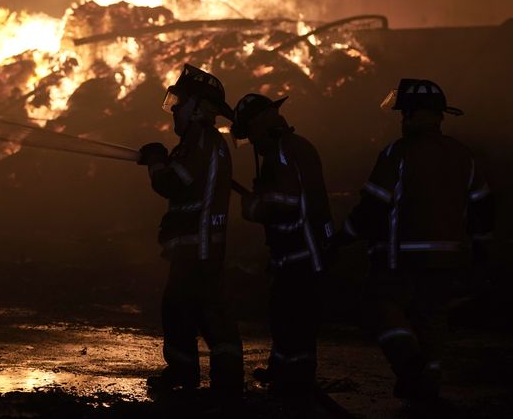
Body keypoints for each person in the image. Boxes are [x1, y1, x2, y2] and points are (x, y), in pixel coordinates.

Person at [338, 78, 494, 403]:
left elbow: (373, 206)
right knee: (432, 318)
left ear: (408, 115)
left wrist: (342, 237)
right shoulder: (462, 154)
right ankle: (428, 385)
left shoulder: (398, 152)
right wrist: (480, 251)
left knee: (380, 307)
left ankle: (410, 364)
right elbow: (482, 206)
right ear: (440, 116)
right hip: (449, 260)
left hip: (402, 258)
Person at [137, 64, 243, 398]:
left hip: (196, 248)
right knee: (202, 310)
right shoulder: (205, 141)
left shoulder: (199, 138)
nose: (176, 110)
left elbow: (173, 183)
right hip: (200, 247)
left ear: (199, 108)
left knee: (184, 309)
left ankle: (190, 378)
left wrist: (156, 161)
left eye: (181, 102)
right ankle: (222, 380)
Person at [231, 93, 334, 397]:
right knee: (284, 314)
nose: (251, 140)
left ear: (259, 124)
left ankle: (298, 381)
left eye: (249, 132)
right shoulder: (293, 147)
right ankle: (282, 371)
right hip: (296, 252)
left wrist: (252, 207)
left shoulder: (282, 153)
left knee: (296, 318)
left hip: (301, 253)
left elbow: (286, 202)